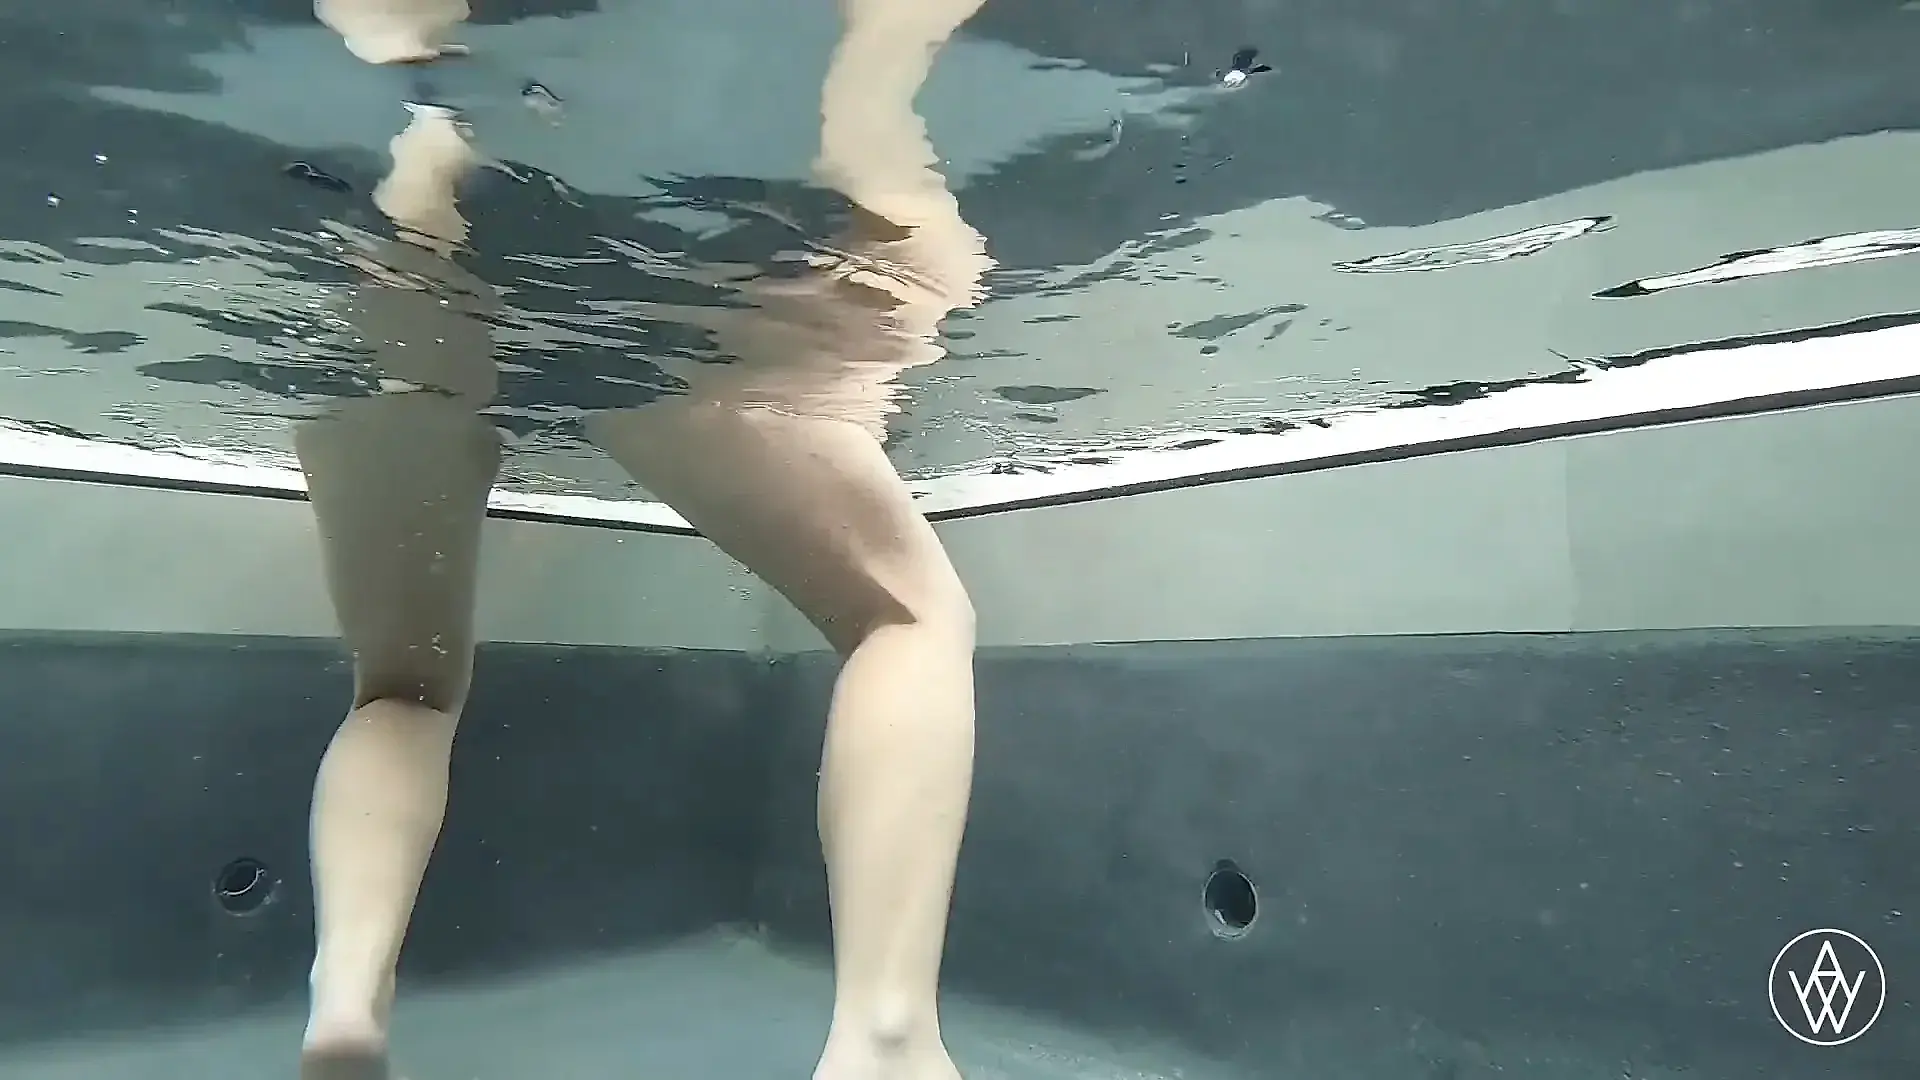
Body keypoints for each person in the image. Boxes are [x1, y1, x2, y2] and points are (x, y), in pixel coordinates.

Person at [299, 2, 990, 1078]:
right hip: (652, 281)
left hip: (397, 262)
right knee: (906, 615)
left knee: (402, 685)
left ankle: (347, 994)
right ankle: (887, 1036)